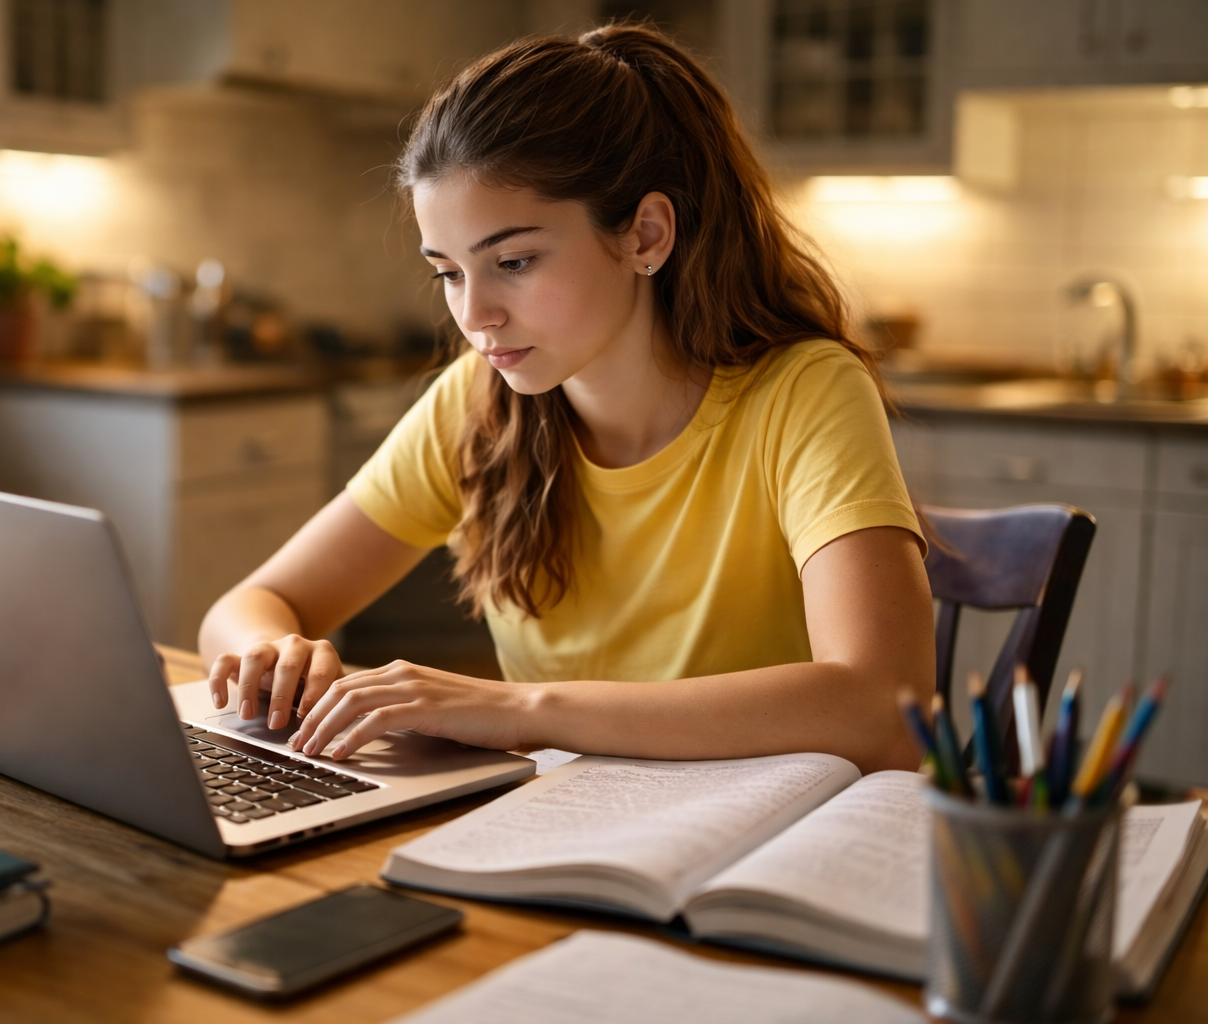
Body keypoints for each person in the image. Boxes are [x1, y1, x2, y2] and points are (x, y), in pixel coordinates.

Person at [200, 23, 934, 775]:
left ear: (646, 234)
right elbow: (247, 605)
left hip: (755, 844)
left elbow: (883, 707)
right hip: (559, 828)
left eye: (513, 261)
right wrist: (272, 655)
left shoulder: (803, 391)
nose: (474, 314)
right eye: (448, 273)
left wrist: (518, 710)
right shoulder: (479, 400)